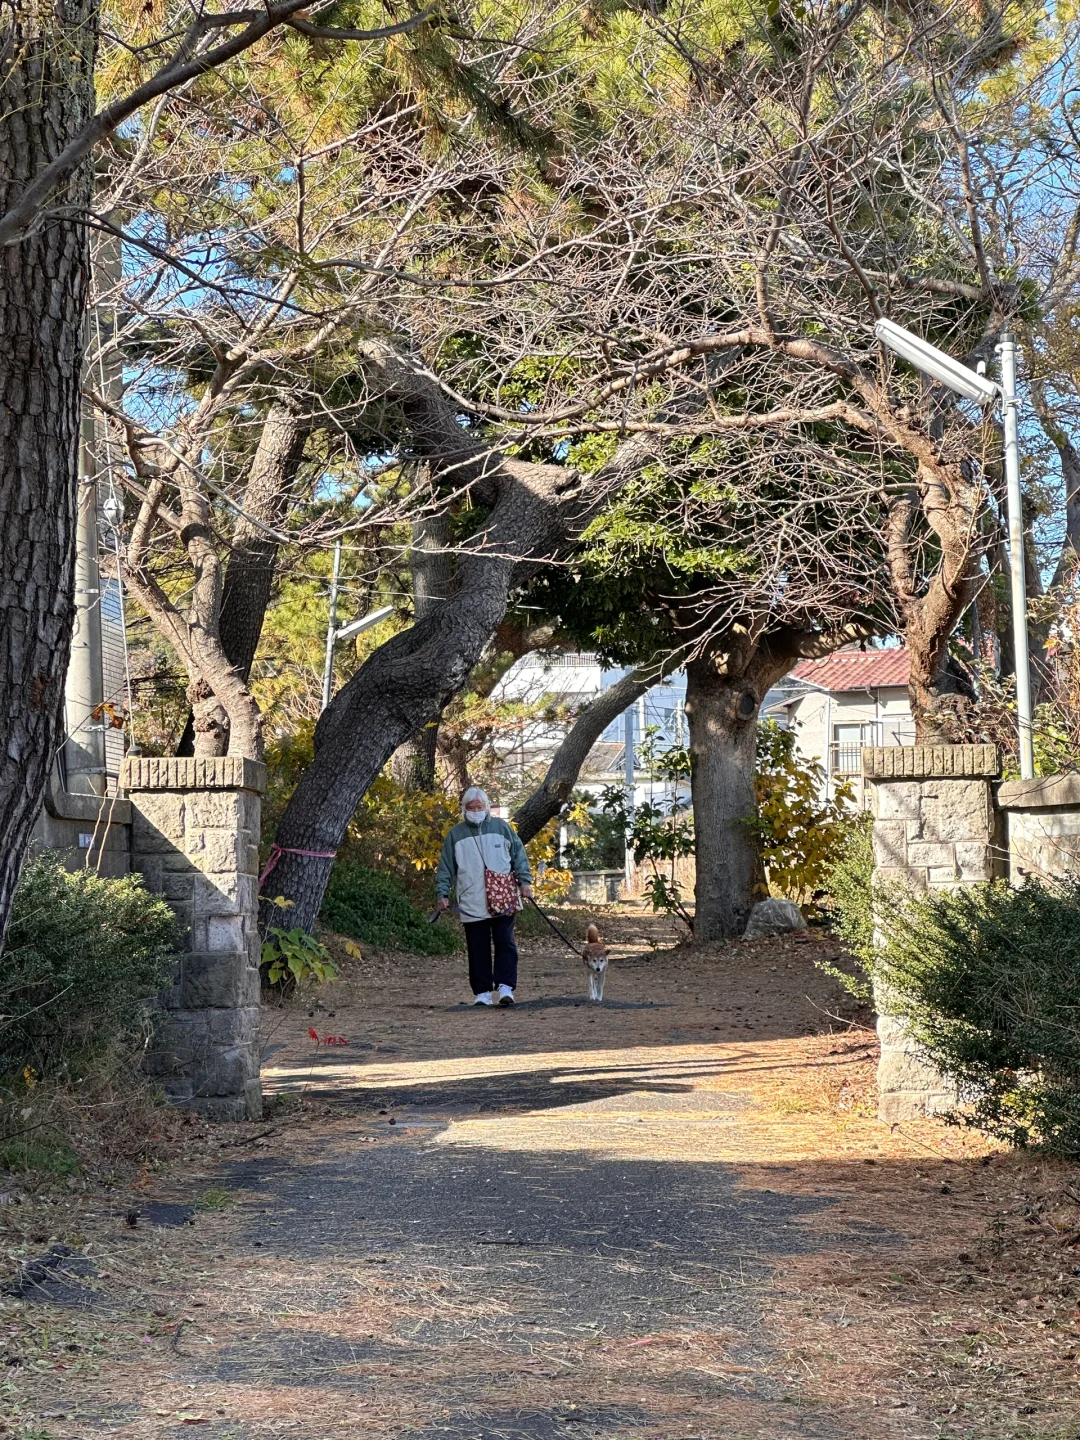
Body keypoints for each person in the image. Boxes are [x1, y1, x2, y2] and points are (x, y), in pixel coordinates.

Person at [435, 787, 533, 1007]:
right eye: (471, 808)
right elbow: (446, 868)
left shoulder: (502, 828)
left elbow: (519, 855)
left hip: (504, 897)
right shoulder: (456, 834)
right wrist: (442, 893)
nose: (476, 811)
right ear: (464, 809)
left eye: (479, 807)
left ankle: (506, 988)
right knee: (477, 947)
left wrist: (525, 882)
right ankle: (482, 993)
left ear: (487, 807)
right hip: (472, 900)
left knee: (505, 943)